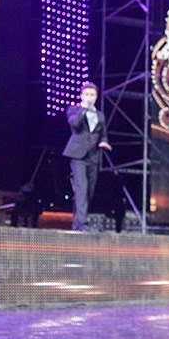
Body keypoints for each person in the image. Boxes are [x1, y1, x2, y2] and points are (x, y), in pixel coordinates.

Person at [62, 82, 111, 231]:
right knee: (81, 187)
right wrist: (84, 110)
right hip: (77, 155)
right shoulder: (74, 110)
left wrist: (103, 142)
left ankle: (77, 221)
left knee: (89, 190)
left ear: (96, 97)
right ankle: (81, 223)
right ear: (82, 96)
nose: (90, 97)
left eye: (92, 95)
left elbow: (103, 134)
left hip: (93, 156)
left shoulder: (100, 115)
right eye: (87, 94)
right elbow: (75, 124)